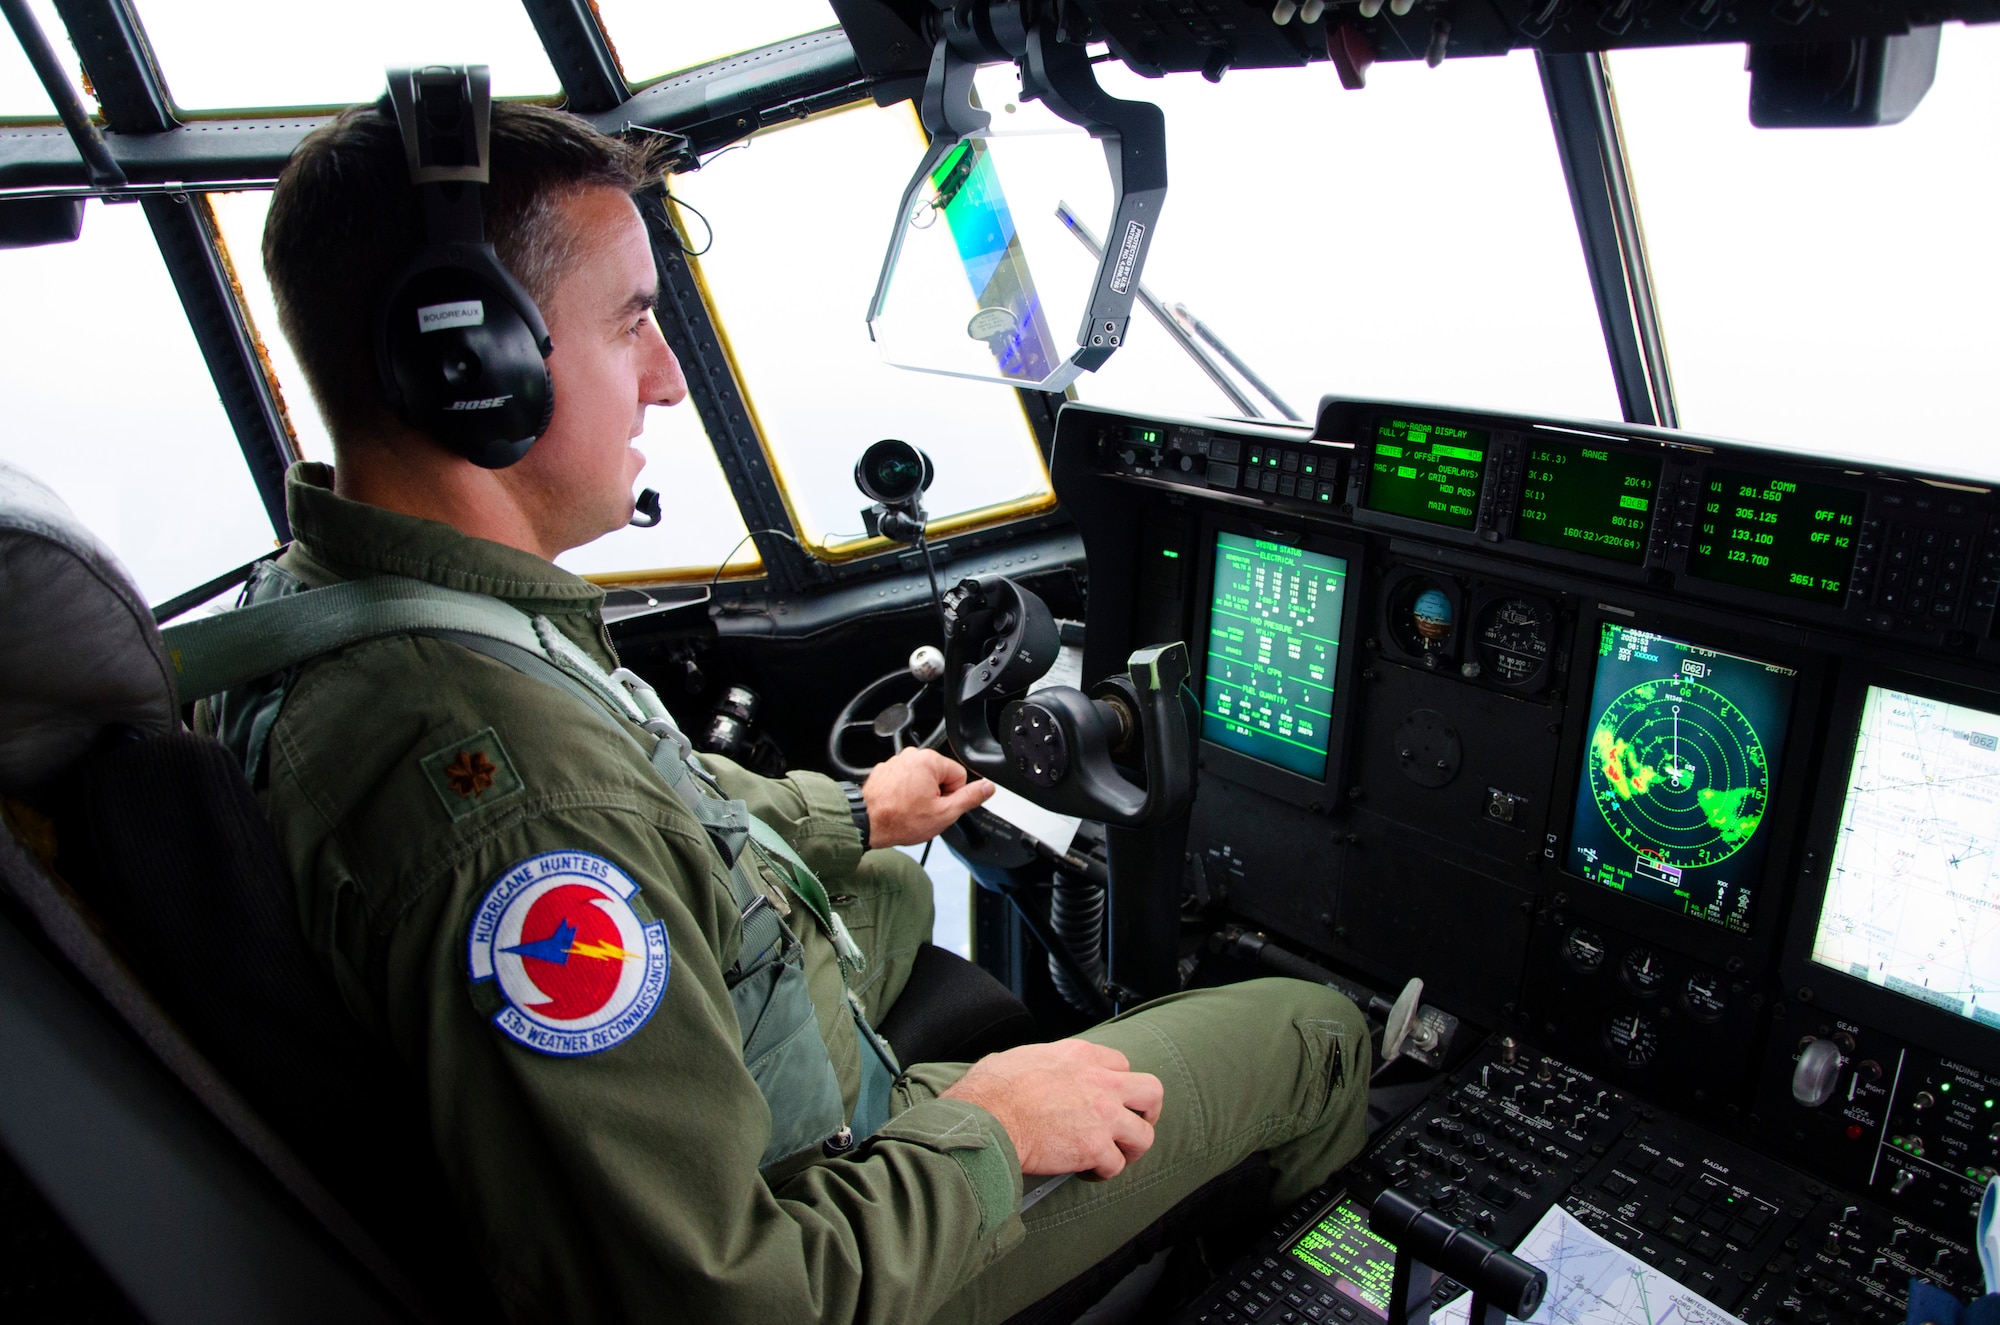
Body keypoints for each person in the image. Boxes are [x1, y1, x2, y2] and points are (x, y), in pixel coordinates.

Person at [212, 91, 1371, 1324]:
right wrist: (987, 1129)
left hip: (716, 1138)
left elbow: (657, 800)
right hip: (813, 1252)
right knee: (1306, 1032)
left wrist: (851, 811)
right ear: (469, 364)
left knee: (890, 879)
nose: (665, 379)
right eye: (632, 323)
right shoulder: (515, 809)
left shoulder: (340, 604)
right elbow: (734, 1300)